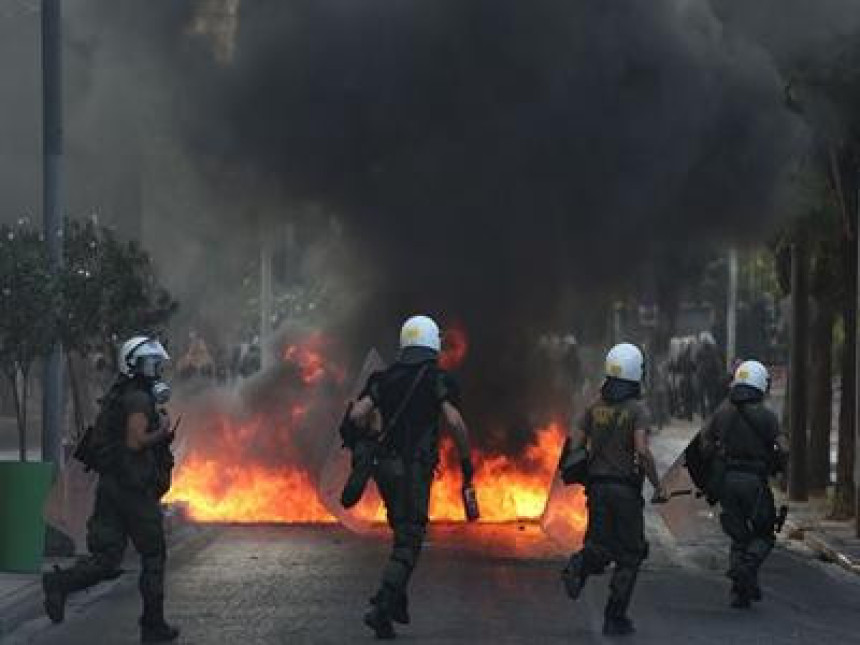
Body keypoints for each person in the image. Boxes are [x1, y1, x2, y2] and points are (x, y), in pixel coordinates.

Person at [43, 336, 180, 643]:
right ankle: (153, 626)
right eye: (152, 364)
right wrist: (162, 433)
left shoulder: (123, 393)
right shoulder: (138, 400)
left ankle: (59, 584)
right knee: (154, 554)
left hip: (113, 487)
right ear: (136, 365)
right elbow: (136, 442)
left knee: (106, 558)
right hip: (133, 490)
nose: (157, 369)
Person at [350, 315, 475, 639]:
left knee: (400, 531)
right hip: (413, 471)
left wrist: (365, 442)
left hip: (384, 470)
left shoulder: (383, 378)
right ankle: (381, 606)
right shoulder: (437, 379)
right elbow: (456, 423)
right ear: (433, 344)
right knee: (410, 539)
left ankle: (393, 608)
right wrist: (465, 461)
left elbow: (358, 414)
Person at [561, 342, 667, 637]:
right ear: (636, 373)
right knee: (630, 553)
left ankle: (579, 566)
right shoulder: (637, 410)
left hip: (596, 490)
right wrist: (658, 486)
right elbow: (642, 451)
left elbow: (575, 444)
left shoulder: (593, 408)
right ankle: (614, 616)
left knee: (599, 545)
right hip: (625, 492)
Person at [700, 359, 788, 609]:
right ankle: (747, 568)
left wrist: (717, 457)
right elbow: (783, 448)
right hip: (754, 482)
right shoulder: (767, 416)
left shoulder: (722, 412)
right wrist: (779, 466)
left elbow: (704, 444)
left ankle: (741, 590)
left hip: (727, 480)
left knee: (739, 536)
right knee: (763, 534)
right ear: (761, 384)